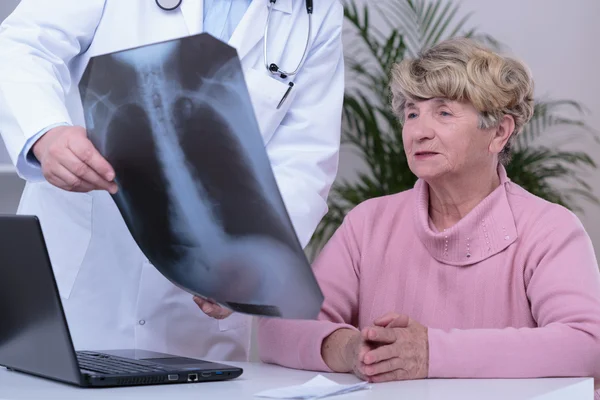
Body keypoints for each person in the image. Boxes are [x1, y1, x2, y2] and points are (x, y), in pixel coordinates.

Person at [0, 0, 343, 362]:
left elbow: (305, 160)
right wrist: (45, 132)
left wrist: (254, 270)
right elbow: (25, 43)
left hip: (196, 316)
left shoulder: (314, 10)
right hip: (80, 287)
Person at [258, 37, 600, 397]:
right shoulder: (368, 223)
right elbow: (278, 328)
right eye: (411, 113)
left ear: (499, 131)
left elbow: (588, 343)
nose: (419, 131)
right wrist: (349, 349)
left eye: (444, 112)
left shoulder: (549, 229)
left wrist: (431, 353)